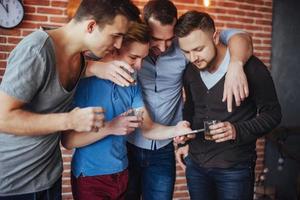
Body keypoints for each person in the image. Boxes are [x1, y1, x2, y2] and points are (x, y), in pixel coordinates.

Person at [0, 0, 140, 199]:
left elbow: (74, 70)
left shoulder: (80, 58)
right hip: (16, 183)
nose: (118, 45)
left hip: (49, 175)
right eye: (116, 36)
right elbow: (2, 118)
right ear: (91, 26)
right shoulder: (36, 50)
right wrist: (70, 120)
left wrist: (99, 68)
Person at [119, 1, 254, 200]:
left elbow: (240, 37)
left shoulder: (185, 51)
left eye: (169, 39)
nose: (163, 47)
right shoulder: (131, 51)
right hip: (127, 145)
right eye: (156, 39)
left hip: (164, 148)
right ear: (144, 26)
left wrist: (236, 64)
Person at [61, 21, 192, 200]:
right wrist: (110, 127)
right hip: (90, 176)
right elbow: (68, 140)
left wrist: (176, 130)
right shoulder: (83, 81)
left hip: (122, 172)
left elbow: (148, 127)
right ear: (115, 47)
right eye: (133, 57)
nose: (138, 66)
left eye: (142, 59)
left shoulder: (131, 84)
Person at [174, 11, 282, 200]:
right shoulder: (190, 71)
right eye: (186, 51)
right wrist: (185, 138)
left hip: (235, 170)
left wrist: (236, 130)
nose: (193, 58)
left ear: (215, 38)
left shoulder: (251, 68)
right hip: (196, 167)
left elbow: (273, 114)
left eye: (199, 49)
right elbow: (190, 108)